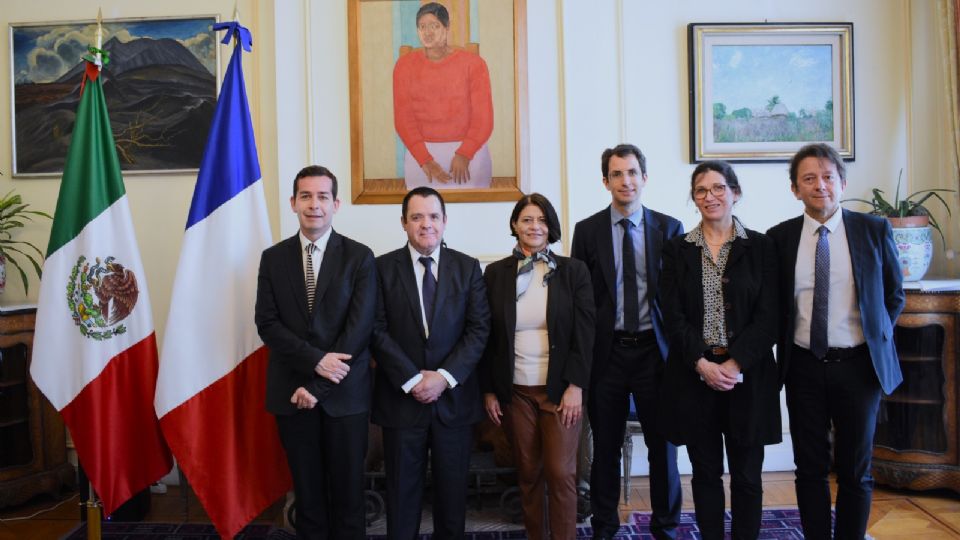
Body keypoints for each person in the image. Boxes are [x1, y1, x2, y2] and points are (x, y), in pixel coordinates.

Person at [767, 143, 905, 539]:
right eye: (808, 179)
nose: (819, 186)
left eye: (827, 177)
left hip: (859, 367)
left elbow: (894, 294)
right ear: (795, 189)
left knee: (856, 469)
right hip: (804, 366)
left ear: (842, 182)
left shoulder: (873, 230)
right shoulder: (780, 238)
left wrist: (876, 336)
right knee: (809, 467)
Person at [658, 161, 781, 539]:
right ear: (693, 199)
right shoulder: (677, 250)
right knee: (705, 473)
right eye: (701, 190)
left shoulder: (761, 247)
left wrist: (734, 361)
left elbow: (771, 314)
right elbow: (672, 314)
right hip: (695, 376)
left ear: (735, 192)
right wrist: (702, 363)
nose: (709, 196)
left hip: (749, 375)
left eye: (718, 188)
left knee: (747, 475)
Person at [254, 165, 376, 539]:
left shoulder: (359, 257)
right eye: (305, 196)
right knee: (307, 500)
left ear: (336, 204)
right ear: (293, 203)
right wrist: (316, 362)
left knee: (349, 499)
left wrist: (321, 382)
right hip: (293, 393)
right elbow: (267, 323)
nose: (314, 205)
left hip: (345, 397)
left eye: (323, 196)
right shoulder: (273, 258)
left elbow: (358, 329)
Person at [571, 144, 683, 539]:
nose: (626, 181)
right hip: (608, 356)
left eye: (632, 172)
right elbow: (581, 305)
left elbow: (678, 299)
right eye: (617, 174)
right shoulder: (587, 232)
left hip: (656, 354)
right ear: (606, 181)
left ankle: (666, 527)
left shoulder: (669, 229)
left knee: (662, 448)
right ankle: (604, 527)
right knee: (604, 449)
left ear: (644, 178)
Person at [371, 186, 491, 539]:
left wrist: (443, 377)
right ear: (404, 223)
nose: (427, 224)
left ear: (445, 221)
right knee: (401, 497)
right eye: (417, 217)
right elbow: (375, 329)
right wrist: (411, 379)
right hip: (400, 401)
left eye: (434, 216)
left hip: (453, 403)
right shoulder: (380, 268)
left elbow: (479, 329)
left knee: (453, 499)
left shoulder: (467, 268)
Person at [481, 193, 595, 540]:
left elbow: (585, 331)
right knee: (528, 473)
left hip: (560, 391)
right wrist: (489, 390)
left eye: (542, 220)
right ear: (515, 225)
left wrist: (576, 385)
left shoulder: (573, 271)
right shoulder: (496, 273)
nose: (534, 226)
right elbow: (487, 336)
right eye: (527, 219)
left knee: (561, 473)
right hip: (515, 392)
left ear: (551, 227)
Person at [393, 2, 494, 188]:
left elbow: (484, 119)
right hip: (421, 150)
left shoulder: (474, 64)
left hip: (469, 146)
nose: (428, 32)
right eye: (422, 27)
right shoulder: (404, 66)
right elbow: (403, 119)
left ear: (446, 28)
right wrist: (425, 160)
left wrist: (464, 153)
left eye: (434, 26)